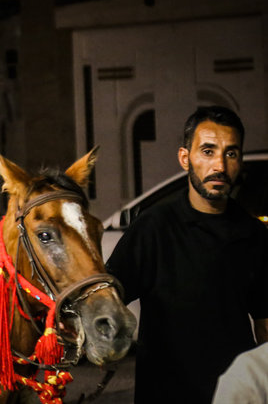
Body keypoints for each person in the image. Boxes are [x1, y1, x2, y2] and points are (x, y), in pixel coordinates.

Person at [106, 106, 268, 404]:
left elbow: (265, 325)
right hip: (164, 394)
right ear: (185, 158)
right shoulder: (153, 227)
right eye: (208, 151)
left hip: (232, 395)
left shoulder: (254, 235)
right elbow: (107, 301)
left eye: (231, 153)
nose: (219, 165)